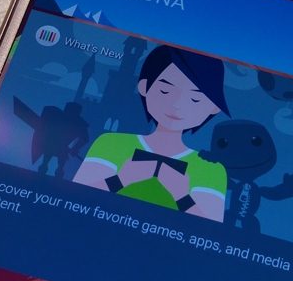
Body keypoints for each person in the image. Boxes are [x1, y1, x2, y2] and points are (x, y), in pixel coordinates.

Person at [73, 45, 229, 222]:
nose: (176, 104)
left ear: (213, 107)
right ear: (144, 87)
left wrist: (182, 196)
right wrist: (121, 179)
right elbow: (72, 199)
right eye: (165, 90)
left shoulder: (210, 169)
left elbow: (210, 231)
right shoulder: (111, 143)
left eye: (195, 98)